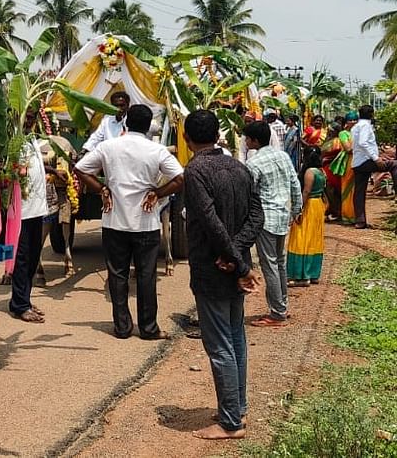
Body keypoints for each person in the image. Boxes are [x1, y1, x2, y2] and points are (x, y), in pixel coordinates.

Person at [182, 109, 263, 441]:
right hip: (232, 265)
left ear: (186, 138)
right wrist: (239, 255)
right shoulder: (239, 167)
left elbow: (208, 220)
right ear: (218, 135)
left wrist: (233, 259)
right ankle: (237, 406)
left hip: (213, 267)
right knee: (235, 338)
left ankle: (231, 421)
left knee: (220, 345)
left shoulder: (195, 170)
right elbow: (257, 215)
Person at [75, 104, 184, 339]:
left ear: (125, 123)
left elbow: (81, 169)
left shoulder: (108, 147)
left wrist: (102, 189)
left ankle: (122, 327)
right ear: (147, 128)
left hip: (114, 221)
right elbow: (180, 177)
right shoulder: (157, 150)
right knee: (146, 275)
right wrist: (158, 192)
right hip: (146, 223)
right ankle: (148, 328)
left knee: (117, 275)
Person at [243, 121, 302, 328]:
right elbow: (295, 183)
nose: (245, 141)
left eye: (247, 138)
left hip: (265, 218)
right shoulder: (283, 156)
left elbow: (249, 194)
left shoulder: (253, 163)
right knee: (279, 263)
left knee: (270, 266)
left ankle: (277, 313)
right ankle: (282, 306)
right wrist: (297, 209)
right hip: (282, 216)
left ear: (254, 140)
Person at [8, 116, 51, 323]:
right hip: (22, 212)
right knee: (23, 259)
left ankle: (25, 298)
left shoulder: (32, 139)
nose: (30, 121)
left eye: (33, 117)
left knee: (33, 258)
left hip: (37, 210)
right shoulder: (13, 140)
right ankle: (19, 305)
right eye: (28, 117)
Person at [287, 147, 327, 287]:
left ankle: (301, 275)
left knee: (301, 237)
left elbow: (306, 191)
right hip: (318, 206)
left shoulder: (309, 172)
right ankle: (313, 274)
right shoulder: (322, 172)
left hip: (310, 205)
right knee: (314, 239)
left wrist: (298, 210)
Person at [349, 104, 393, 229]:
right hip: (366, 161)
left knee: (359, 191)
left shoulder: (355, 127)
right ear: (372, 114)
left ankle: (360, 220)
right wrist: (376, 158)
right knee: (393, 165)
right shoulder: (365, 126)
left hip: (357, 162)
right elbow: (363, 143)